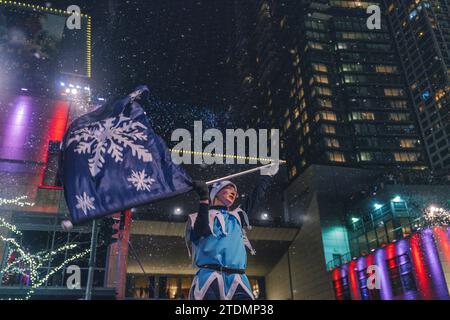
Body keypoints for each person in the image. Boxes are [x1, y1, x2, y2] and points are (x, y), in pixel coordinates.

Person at [185, 172, 272, 300]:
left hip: (238, 279)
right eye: (228, 189)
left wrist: (267, 176)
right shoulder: (199, 216)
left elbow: (255, 197)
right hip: (209, 278)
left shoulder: (237, 216)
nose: (233, 192)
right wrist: (204, 199)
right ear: (215, 192)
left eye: (234, 191)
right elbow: (199, 231)